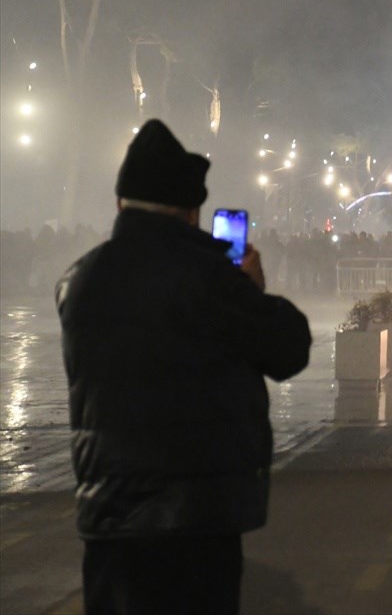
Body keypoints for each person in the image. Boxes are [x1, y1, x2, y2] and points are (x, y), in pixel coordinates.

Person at [55, 119, 312, 614]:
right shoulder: (207, 278)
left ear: (119, 205)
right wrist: (252, 289)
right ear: (191, 212)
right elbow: (287, 349)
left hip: (108, 516)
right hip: (194, 518)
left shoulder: (78, 281)